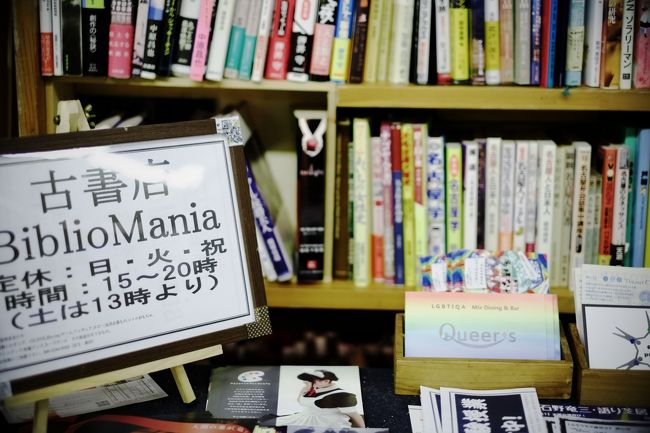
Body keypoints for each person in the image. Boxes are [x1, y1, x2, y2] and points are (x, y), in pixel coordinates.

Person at [267, 369, 366, 428]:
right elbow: (301, 401)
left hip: (326, 423)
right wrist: (307, 387)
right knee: (270, 424)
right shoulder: (313, 389)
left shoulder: (341, 395)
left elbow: (354, 415)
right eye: (312, 379)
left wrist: (363, 430)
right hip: (303, 418)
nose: (313, 382)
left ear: (327, 381)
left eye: (316, 380)